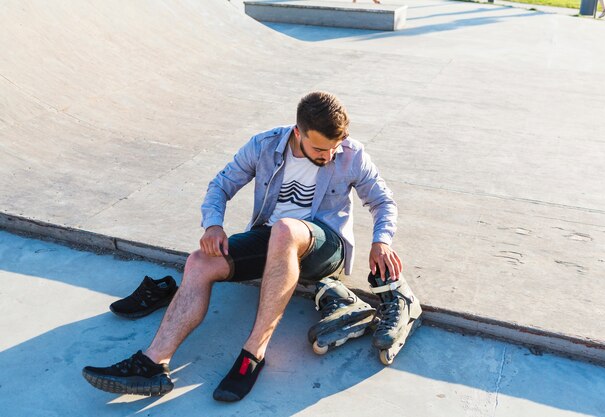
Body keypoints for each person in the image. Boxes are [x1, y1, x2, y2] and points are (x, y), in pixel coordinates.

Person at [82, 91, 404, 402]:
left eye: (333, 148)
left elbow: (382, 201)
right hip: (274, 240)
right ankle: (153, 363)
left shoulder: (351, 154)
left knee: (284, 229)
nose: (329, 155)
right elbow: (221, 185)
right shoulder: (264, 146)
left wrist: (381, 241)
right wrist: (213, 225)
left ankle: (253, 354)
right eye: (320, 149)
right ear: (298, 132)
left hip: (323, 247)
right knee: (198, 262)